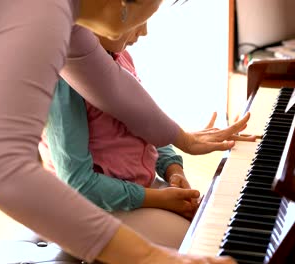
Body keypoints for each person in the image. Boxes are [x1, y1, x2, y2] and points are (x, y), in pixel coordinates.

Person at [0, 0, 253, 263]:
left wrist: (181, 141)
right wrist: (150, 257)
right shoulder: (43, 13)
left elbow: (115, 90)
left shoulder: (69, 21)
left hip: (124, 189)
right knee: (195, 242)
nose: (146, 30)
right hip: (91, 196)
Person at [39, 22, 208, 248]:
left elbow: (147, 123)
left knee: (210, 221)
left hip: (136, 187)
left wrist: (173, 170)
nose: (144, 31)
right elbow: (77, 183)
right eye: (139, 20)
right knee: (196, 244)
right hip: (87, 207)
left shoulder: (121, 57)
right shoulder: (63, 81)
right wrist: (159, 199)